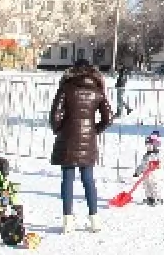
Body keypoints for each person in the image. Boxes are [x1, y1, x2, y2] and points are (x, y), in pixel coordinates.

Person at [49, 59, 113, 234]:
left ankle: (67, 220)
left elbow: (55, 115)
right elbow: (108, 118)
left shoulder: (66, 88)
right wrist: (94, 130)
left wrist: (60, 130)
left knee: (67, 179)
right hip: (88, 139)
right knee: (88, 179)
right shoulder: (97, 91)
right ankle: (94, 220)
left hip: (68, 139)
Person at [133, 131, 164, 206]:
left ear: (155, 145)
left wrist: (161, 165)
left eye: (149, 145)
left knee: (156, 186)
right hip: (146, 175)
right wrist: (137, 172)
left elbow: (163, 162)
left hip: (155, 175)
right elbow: (142, 165)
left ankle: (158, 198)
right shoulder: (146, 155)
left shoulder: (159, 155)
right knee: (147, 187)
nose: (147, 146)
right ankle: (149, 198)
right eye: (146, 145)